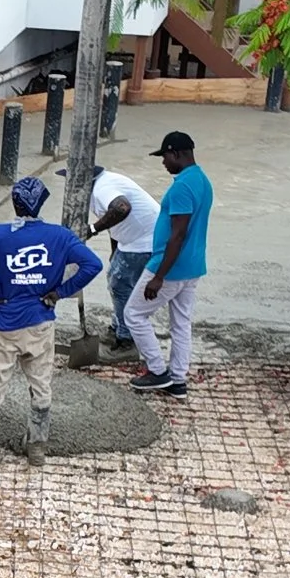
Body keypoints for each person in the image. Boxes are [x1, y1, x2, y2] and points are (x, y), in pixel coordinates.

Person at [0, 174, 101, 466]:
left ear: (15, 203)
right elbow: (93, 264)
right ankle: (36, 448)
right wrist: (60, 292)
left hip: (5, 323)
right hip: (40, 322)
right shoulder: (60, 236)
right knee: (41, 384)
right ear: (42, 203)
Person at [127, 131, 212, 398]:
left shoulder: (181, 188)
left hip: (170, 267)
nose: (163, 163)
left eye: (164, 156)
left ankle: (157, 371)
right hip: (194, 266)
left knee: (134, 315)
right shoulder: (203, 181)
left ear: (176, 154)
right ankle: (177, 381)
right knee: (181, 323)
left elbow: (178, 234)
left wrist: (158, 276)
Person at [87, 162, 161, 348]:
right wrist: (114, 251)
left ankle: (126, 340)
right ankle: (118, 327)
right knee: (116, 277)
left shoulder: (102, 188)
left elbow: (121, 208)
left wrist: (92, 229)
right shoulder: (108, 182)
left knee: (119, 285)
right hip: (142, 237)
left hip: (145, 240)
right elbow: (113, 221)